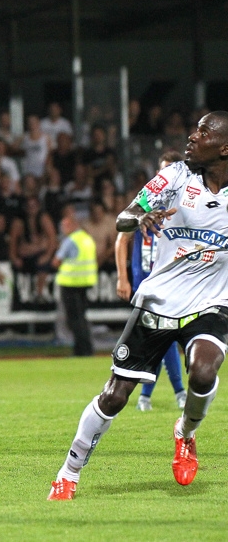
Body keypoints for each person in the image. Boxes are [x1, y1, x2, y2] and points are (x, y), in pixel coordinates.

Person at [48, 112, 228, 500]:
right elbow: (124, 216)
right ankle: (68, 472)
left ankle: (186, 432)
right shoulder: (176, 176)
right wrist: (140, 218)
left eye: (203, 132)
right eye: (193, 128)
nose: (191, 136)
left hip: (213, 302)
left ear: (225, 148)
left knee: (203, 371)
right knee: (114, 396)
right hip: (159, 300)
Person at [114, 151, 186, 412]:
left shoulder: (183, 205)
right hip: (145, 280)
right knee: (160, 335)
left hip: (171, 280)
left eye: (171, 169)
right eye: (162, 170)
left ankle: (153, 394)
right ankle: (173, 393)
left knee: (162, 335)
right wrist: (124, 276)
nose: (166, 175)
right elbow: (122, 237)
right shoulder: (148, 201)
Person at [51, 205, 97, 357]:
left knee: (74, 320)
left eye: (65, 226)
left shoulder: (70, 241)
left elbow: (56, 262)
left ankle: (81, 350)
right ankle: (87, 348)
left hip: (70, 283)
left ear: (72, 225)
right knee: (82, 318)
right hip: (86, 282)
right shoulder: (87, 239)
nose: (63, 229)